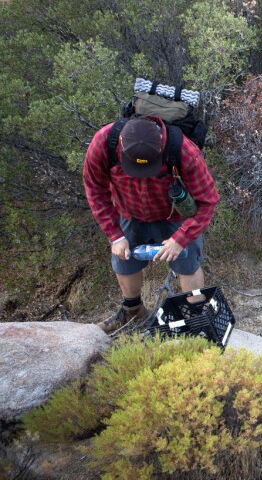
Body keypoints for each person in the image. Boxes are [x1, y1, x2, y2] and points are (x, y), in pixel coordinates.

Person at [83, 116, 220, 334]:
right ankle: (133, 310)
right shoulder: (103, 142)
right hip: (129, 212)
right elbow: (94, 189)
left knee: (188, 264)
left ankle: (197, 318)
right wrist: (115, 235)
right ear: (121, 145)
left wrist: (181, 239)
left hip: (175, 217)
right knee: (124, 261)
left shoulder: (183, 150)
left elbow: (208, 201)